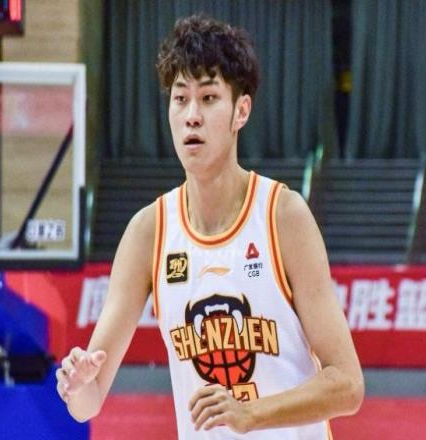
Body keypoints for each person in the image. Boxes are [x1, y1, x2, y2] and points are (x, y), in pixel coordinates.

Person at [56, 14, 364, 439]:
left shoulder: (282, 216)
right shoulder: (148, 232)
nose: (192, 116)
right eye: (180, 99)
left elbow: (347, 384)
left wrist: (250, 414)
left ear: (241, 110)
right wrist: (77, 385)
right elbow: (88, 401)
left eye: (208, 98)